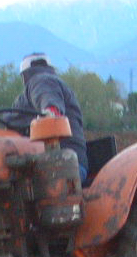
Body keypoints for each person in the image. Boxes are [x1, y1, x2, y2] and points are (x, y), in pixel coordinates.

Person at [9, 53, 88, 181]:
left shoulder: (41, 81)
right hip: (61, 161)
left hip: (63, 164)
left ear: (24, 76)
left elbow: (50, 104)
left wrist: (50, 113)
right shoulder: (25, 99)